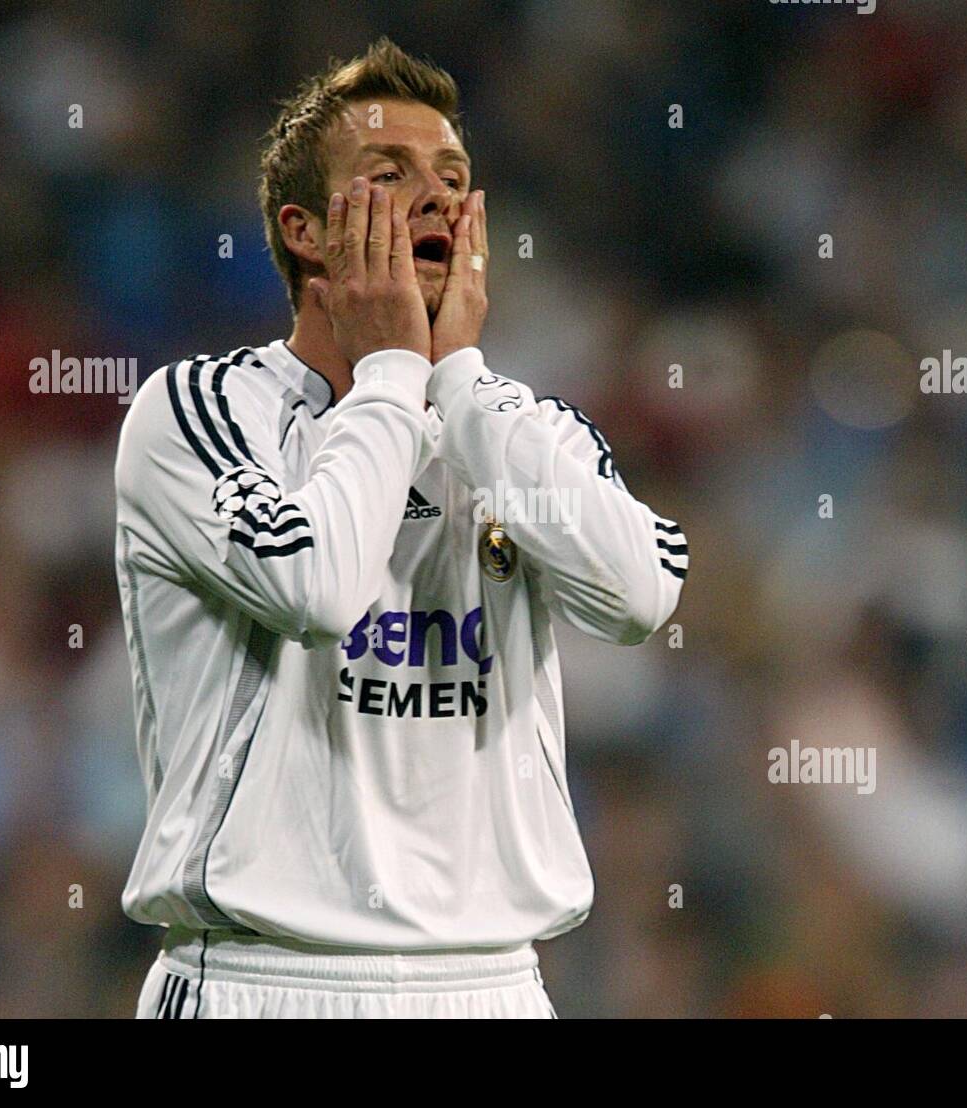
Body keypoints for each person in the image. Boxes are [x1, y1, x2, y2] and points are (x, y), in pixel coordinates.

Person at [114, 38, 688, 1019]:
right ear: (303, 229)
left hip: (493, 985)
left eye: (453, 178)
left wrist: (456, 381)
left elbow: (641, 593)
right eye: (390, 176)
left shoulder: (517, 427)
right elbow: (317, 587)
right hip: (264, 980)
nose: (435, 196)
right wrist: (391, 375)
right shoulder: (197, 414)